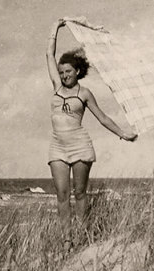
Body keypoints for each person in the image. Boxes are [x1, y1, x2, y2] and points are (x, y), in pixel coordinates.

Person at [46, 19, 137, 247]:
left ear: (77, 71)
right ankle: (67, 240)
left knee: (80, 194)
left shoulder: (85, 93)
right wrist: (55, 28)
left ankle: (82, 237)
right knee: (62, 195)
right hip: (57, 146)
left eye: (68, 71)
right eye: (61, 72)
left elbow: (102, 117)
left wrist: (122, 133)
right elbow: (48, 55)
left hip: (80, 145)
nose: (64, 75)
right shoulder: (56, 87)